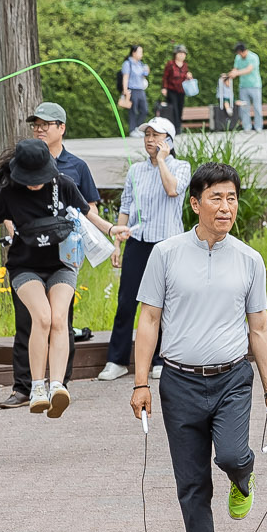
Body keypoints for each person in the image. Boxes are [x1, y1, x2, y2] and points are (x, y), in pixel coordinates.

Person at [129, 163, 267, 532]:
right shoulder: (166, 254)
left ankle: (243, 479)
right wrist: (141, 382)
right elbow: (150, 319)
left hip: (233, 378)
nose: (225, 206)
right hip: (178, 382)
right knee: (192, 483)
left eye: (232, 198)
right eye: (216, 198)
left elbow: (260, 328)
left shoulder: (249, 259)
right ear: (194, 204)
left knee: (234, 454)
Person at [0, 110, 113, 414]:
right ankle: (37, 386)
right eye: (30, 179)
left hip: (61, 264)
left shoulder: (64, 183)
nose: (34, 184)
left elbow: (86, 214)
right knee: (41, 318)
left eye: (39, 179)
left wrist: (111, 230)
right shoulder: (10, 193)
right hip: (24, 266)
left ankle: (57, 386)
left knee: (59, 319)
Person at [101, 116, 190, 383]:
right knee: (126, 300)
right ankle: (116, 360)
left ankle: (162, 359)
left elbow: (173, 190)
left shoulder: (181, 166)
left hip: (168, 243)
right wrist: (117, 243)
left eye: (156, 135)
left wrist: (162, 160)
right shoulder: (136, 171)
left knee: (167, 302)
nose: (150, 139)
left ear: (169, 141)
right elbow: (126, 207)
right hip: (138, 241)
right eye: (147, 135)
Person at [221, 41, 263, 133]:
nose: (239, 55)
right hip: (243, 86)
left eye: (240, 53)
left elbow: (249, 70)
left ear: (243, 51)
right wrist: (231, 74)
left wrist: (236, 73)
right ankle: (247, 127)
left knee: (257, 107)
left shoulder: (253, 57)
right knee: (244, 107)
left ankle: (258, 127)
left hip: (255, 86)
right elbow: (235, 68)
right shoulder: (238, 58)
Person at [120, 43, 155, 128]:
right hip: (132, 90)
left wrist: (147, 71)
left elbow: (142, 76)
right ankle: (132, 130)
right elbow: (125, 77)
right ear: (134, 53)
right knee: (133, 111)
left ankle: (138, 128)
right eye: (140, 52)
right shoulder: (128, 63)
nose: (141, 54)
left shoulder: (140, 64)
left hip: (140, 90)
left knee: (144, 110)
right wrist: (125, 91)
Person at [161, 44, 192, 129]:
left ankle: (178, 127)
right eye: (180, 53)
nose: (182, 55)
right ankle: (174, 127)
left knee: (180, 108)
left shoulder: (185, 65)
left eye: (183, 53)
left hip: (181, 90)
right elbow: (165, 77)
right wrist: (164, 88)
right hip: (172, 90)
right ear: (175, 54)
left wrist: (189, 76)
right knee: (173, 108)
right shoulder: (170, 64)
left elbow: (185, 77)